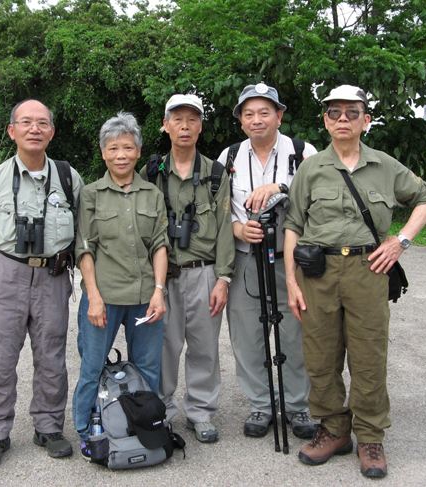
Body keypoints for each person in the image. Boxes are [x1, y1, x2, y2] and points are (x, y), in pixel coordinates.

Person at [283, 85, 426, 478]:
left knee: (369, 356)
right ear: (325, 120)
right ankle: (333, 430)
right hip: (317, 273)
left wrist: (400, 241)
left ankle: (370, 437)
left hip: (370, 271)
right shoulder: (311, 168)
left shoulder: (385, 165)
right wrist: (291, 281)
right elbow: (293, 225)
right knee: (320, 355)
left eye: (352, 113)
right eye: (334, 113)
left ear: (366, 120)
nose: (342, 120)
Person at [0, 99, 84, 468]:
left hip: (53, 276)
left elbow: (82, 231)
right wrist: (3, 268)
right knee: (1, 359)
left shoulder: (68, 177)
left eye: (42, 123)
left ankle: (48, 426)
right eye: (26, 122)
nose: (35, 129)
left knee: (51, 356)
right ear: (12, 131)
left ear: (52, 131)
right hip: (8, 276)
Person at [216, 83, 318, 440]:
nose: (256, 120)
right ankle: (261, 402)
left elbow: (318, 199)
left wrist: (280, 187)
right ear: (240, 121)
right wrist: (238, 229)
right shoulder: (228, 157)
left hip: (292, 260)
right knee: (247, 332)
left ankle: (297, 405)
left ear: (279, 115)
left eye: (264, 112)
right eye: (248, 114)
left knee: (296, 329)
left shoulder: (304, 152)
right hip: (247, 257)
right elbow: (218, 210)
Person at [72, 111, 170, 460]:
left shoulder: (152, 194)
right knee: (92, 365)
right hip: (105, 297)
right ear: (103, 153)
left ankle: (143, 424)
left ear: (139, 152)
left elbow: (159, 245)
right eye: (113, 149)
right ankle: (86, 430)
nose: (121, 155)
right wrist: (93, 297)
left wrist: (159, 291)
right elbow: (84, 248)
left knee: (147, 368)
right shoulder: (91, 194)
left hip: (145, 298)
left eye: (128, 147)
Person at [139, 94, 235, 443]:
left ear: (200, 126)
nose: (184, 126)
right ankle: (160, 410)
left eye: (192, 119)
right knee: (162, 346)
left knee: (205, 347)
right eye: (177, 119)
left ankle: (201, 412)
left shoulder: (215, 173)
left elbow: (226, 226)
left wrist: (223, 278)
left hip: (204, 273)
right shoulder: (151, 171)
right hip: (163, 275)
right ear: (165, 125)